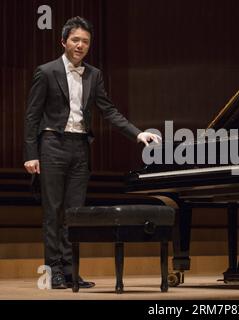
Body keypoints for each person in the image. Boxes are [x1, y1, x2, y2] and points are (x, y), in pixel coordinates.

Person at [23, 16, 160, 289]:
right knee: (54, 211)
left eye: (85, 41)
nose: (80, 45)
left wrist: (137, 133)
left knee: (75, 212)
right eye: (75, 39)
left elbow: (109, 110)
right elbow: (32, 116)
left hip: (80, 147)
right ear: (63, 41)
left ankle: (72, 272)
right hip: (52, 145)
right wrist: (31, 153)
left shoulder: (94, 74)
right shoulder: (46, 71)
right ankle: (54, 272)